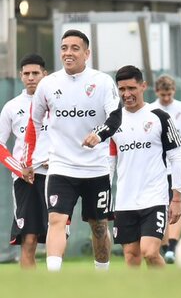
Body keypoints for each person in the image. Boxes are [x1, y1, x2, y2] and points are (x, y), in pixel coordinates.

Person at [22, 29, 122, 271]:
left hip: (96, 169)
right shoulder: (49, 84)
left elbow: (116, 117)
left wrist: (98, 135)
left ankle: (102, 274)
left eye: (75, 48)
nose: (68, 53)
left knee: (99, 226)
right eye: (64, 47)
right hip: (61, 167)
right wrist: (28, 159)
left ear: (87, 53)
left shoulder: (102, 81)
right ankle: (54, 277)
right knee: (56, 219)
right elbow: (33, 125)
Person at [109, 65, 181, 268]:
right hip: (125, 200)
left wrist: (176, 197)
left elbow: (177, 157)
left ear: (143, 86)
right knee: (131, 256)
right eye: (122, 89)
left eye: (132, 88)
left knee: (150, 252)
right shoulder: (113, 120)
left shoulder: (159, 116)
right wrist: (108, 195)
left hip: (154, 197)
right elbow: (110, 161)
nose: (127, 94)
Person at [0, 54, 49, 268]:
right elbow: (0, 145)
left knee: (56, 238)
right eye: (27, 74)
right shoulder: (12, 107)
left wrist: (57, 160)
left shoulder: (55, 103)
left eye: (35, 73)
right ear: (21, 76)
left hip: (56, 177)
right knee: (28, 240)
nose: (31, 77)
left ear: (44, 75)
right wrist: (20, 170)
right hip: (25, 180)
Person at [149, 75, 181, 263]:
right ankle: (162, 246)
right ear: (156, 92)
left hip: (179, 166)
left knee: (176, 205)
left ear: (174, 92)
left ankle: (172, 245)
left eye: (169, 94)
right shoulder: (151, 109)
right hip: (159, 167)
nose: (167, 98)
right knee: (161, 206)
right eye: (163, 95)